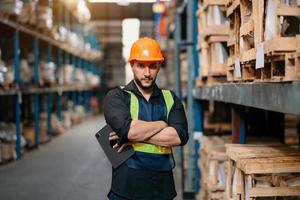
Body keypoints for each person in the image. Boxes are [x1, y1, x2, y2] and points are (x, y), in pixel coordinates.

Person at [103, 37, 188, 200]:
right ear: (132, 65)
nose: (147, 73)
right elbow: (128, 131)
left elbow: (179, 136)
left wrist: (135, 137)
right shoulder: (116, 96)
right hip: (125, 191)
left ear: (159, 66)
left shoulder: (171, 99)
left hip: (162, 191)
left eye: (152, 66)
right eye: (141, 66)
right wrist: (162, 124)